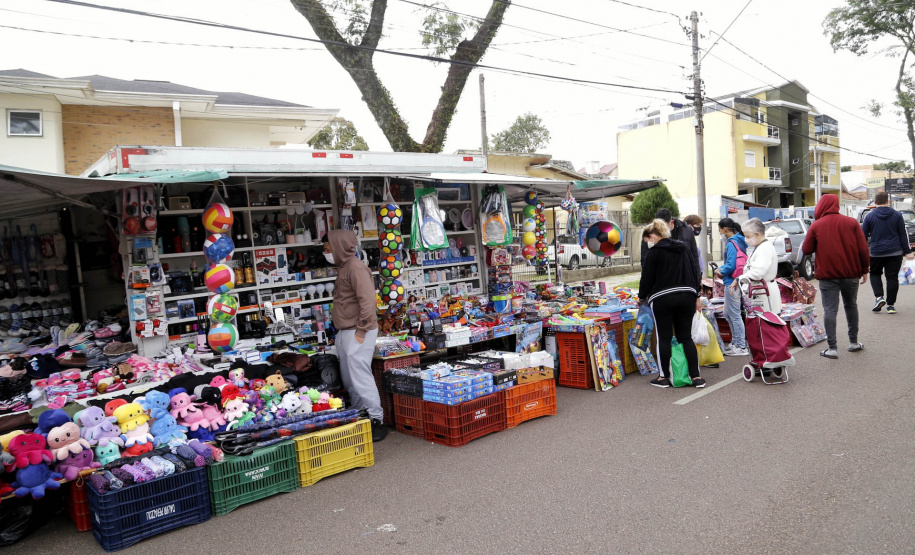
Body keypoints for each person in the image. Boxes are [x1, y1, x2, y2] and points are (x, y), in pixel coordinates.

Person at [323, 231, 387, 441]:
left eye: (328, 249)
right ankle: (362, 417)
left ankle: (376, 419)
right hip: (346, 330)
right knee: (351, 379)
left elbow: (368, 302)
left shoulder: (356, 268)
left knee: (360, 376)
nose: (327, 253)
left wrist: (361, 330)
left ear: (339, 247)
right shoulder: (344, 267)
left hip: (358, 330)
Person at [801, 194, 870, 359]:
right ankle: (853, 343)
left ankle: (832, 349)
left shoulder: (816, 225)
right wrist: (865, 269)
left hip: (827, 275)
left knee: (830, 309)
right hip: (851, 273)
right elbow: (863, 249)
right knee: (851, 306)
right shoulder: (852, 222)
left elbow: (806, 249)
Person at [637, 219, 705, 388]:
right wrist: (696, 293)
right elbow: (694, 270)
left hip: (662, 299)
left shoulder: (653, 253)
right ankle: (696, 377)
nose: (649, 244)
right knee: (686, 337)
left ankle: (663, 377)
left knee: (664, 338)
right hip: (687, 296)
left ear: (652, 235)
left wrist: (641, 297)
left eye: (648, 240)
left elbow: (646, 278)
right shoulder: (682, 247)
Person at [862, 191, 914, 314]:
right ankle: (891, 305)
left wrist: (861, 252)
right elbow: (903, 235)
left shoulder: (869, 216)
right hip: (895, 252)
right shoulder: (897, 215)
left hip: (876, 252)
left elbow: (862, 236)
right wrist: (908, 252)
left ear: (875, 202)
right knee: (892, 278)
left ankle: (879, 297)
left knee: (875, 274)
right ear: (887, 202)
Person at [715, 218, 748, 356]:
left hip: (732, 282)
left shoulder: (731, 243)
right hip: (738, 280)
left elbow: (731, 265)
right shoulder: (741, 240)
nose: (720, 234)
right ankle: (736, 343)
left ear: (725, 229)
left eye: (720, 230)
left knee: (734, 314)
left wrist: (720, 271)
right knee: (729, 314)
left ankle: (741, 346)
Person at [736, 218, 782, 315]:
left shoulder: (765, 248)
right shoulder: (760, 247)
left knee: (766, 325)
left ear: (757, 234)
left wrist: (739, 279)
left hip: (764, 294)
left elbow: (757, 273)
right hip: (760, 292)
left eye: (748, 236)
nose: (746, 240)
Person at [639, 208, 700, 275]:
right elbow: (644, 260)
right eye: (657, 226)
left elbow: (694, 257)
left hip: (684, 276)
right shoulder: (650, 234)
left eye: (663, 226)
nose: (660, 229)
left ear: (671, 222)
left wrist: (697, 278)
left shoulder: (686, 231)